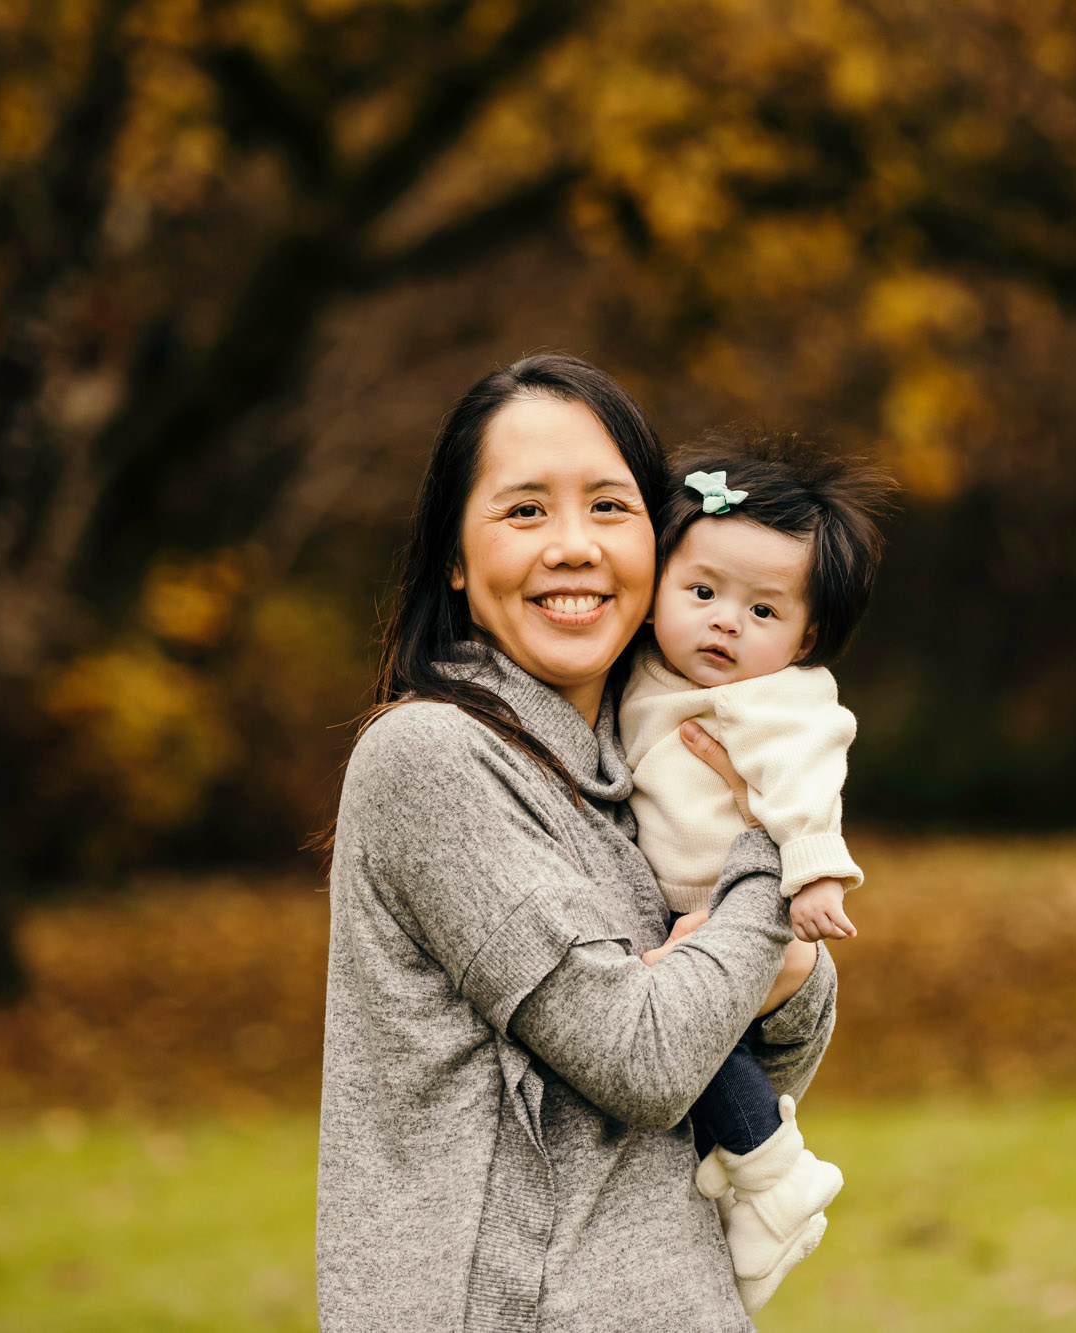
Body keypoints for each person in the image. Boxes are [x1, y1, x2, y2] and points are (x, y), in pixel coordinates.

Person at [316, 354, 837, 1333]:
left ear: (661, 544)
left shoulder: (635, 770)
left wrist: (772, 965)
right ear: (454, 561)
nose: (573, 546)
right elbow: (644, 1060)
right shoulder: (430, 759)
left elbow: (760, 1062)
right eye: (524, 512)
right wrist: (772, 844)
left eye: (608, 507)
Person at [619, 436, 894, 1312]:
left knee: (698, 1049)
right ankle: (768, 1190)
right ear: (658, 583)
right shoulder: (643, 673)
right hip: (679, 921)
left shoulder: (785, 699)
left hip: (731, 911)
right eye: (702, 592)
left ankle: (776, 1180)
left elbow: (810, 781)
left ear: (805, 637)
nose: (726, 622)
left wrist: (815, 877)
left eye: (763, 611)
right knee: (706, 1056)